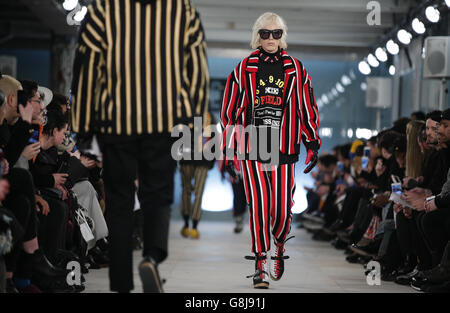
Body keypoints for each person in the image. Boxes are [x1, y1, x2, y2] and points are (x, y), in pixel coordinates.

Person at [71, 0, 209, 293]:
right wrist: (195, 123)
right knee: (157, 195)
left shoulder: (103, 11)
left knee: (121, 201)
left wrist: (82, 125)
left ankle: (121, 282)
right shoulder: (182, 11)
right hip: (165, 120)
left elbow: (86, 70)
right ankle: (152, 257)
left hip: (116, 122)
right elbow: (197, 73)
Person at [220, 12, 320, 289]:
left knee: (281, 207)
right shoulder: (243, 69)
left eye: (276, 33)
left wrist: (311, 142)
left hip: (285, 148)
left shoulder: (296, 68)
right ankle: (260, 264)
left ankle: (278, 245)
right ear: (257, 35)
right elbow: (229, 110)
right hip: (253, 147)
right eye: (265, 33)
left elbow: (306, 106)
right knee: (260, 207)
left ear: (283, 35)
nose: (271, 38)